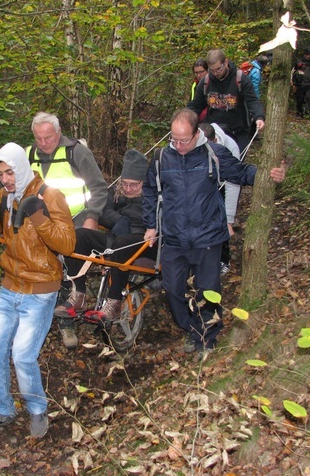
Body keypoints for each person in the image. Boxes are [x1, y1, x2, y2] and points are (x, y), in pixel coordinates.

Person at [142, 109, 285, 359]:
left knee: (207, 290)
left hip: (207, 236)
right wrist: (151, 225)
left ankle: (206, 337)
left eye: (184, 139)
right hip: (173, 238)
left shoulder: (214, 154)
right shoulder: (161, 158)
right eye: (174, 138)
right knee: (173, 289)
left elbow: (241, 173)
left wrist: (268, 174)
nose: (179, 145)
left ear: (197, 133)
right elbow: (150, 191)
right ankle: (190, 326)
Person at [0, 142, 76, 438]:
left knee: (22, 355)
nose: (5, 179)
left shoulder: (50, 195)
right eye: (0, 173)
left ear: (22, 167)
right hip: (10, 285)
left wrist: (40, 216)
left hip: (41, 289)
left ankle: (37, 410)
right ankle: (2, 409)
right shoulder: (5, 198)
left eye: (10, 172)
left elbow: (67, 245)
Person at [27, 111, 108, 348]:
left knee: (65, 266)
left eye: (48, 138)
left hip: (75, 218)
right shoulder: (29, 154)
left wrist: (92, 217)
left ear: (58, 133)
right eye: (39, 138)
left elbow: (99, 187)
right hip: (40, 221)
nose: (43, 144)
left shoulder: (77, 152)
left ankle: (67, 322)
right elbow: (9, 175)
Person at [54, 149, 156, 335]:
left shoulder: (153, 196)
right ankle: (79, 294)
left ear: (144, 182)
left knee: (122, 243)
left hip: (145, 242)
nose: (128, 189)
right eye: (124, 183)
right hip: (117, 236)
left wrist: (135, 223)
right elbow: (102, 211)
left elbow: (157, 219)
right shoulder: (116, 193)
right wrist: (119, 220)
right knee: (79, 236)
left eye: (134, 185)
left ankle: (114, 301)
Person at [187, 48, 265, 152]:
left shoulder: (240, 79)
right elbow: (196, 105)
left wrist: (259, 117)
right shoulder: (206, 82)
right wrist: (185, 119)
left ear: (226, 62)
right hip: (214, 132)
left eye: (219, 69)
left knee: (235, 163)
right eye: (212, 70)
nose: (215, 73)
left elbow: (253, 100)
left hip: (238, 132)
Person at [198, 123, 241, 276]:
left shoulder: (230, 148)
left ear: (214, 141)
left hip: (223, 182)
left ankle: (223, 258)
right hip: (202, 180)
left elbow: (234, 183)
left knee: (219, 214)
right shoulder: (189, 143)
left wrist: (229, 220)